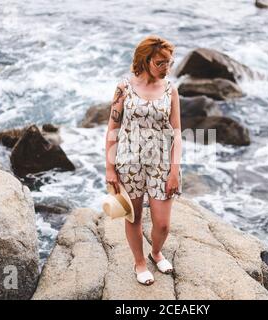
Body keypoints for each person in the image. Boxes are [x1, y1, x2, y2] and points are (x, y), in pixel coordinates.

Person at [105, 35, 182, 285]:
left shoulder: (171, 90)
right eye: (160, 62)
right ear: (145, 60)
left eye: (168, 63)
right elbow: (113, 128)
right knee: (134, 217)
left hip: (161, 163)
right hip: (129, 163)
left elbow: (177, 132)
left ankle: (156, 252)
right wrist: (110, 169)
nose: (166, 68)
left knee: (162, 224)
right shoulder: (124, 88)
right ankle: (139, 262)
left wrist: (174, 170)